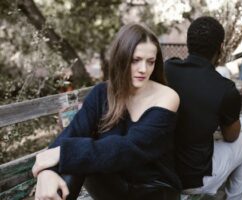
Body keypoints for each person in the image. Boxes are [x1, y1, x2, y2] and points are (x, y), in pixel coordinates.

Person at [32, 23, 181, 200]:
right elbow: (72, 134)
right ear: (121, 58)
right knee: (73, 159)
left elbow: (131, 148)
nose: (144, 69)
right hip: (113, 186)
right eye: (135, 60)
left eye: (150, 62)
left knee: (75, 155)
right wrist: (46, 172)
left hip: (154, 190)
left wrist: (62, 154)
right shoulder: (102, 93)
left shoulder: (167, 97)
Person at [164, 16, 242, 200]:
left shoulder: (168, 68)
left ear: (188, 43)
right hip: (194, 179)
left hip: (163, 170)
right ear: (221, 48)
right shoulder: (225, 88)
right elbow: (232, 137)